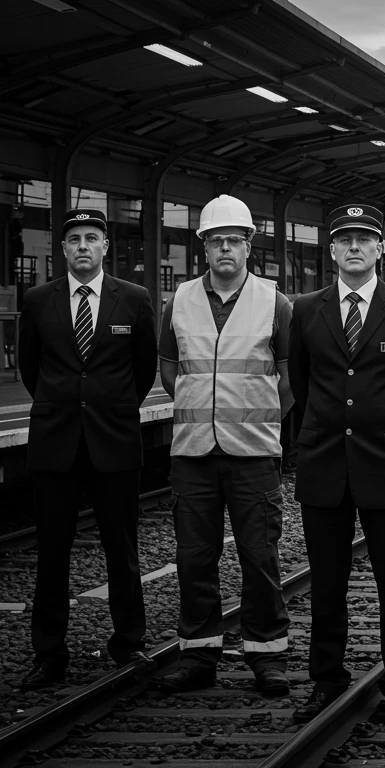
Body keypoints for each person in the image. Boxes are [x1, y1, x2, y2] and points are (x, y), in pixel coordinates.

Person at [289, 204, 385, 725]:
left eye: (364, 239)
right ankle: (326, 680)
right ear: (331, 250)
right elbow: (302, 385)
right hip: (325, 464)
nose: (354, 247)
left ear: (380, 249)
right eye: (345, 239)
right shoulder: (306, 309)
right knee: (325, 584)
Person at [152, 195, 294, 696]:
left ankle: (266, 654)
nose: (225, 249)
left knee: (259, 556)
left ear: (249, 246)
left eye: (234, 240)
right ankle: (198, 655)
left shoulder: (276, 303)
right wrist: (204, 404)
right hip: (192, 452)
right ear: (204, 249)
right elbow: (170, 369)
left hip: (254, 451)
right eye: (217, 241)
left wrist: (249, 410)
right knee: (194, 557)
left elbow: (289, 376)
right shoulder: (180, 300)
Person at [17, 208, 158, 690]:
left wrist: (110, 409)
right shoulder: (37, 300)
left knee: (122, 549)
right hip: (55, 442)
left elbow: (142, 371)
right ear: (62, 249)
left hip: (114, 442)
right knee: (51, 552)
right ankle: (49, 654)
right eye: (73, 238)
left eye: (91, 238)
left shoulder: (134, 300)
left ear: (104, 248)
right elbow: (30, 368)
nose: (82, 245)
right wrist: (65, 408)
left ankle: (129, 644)